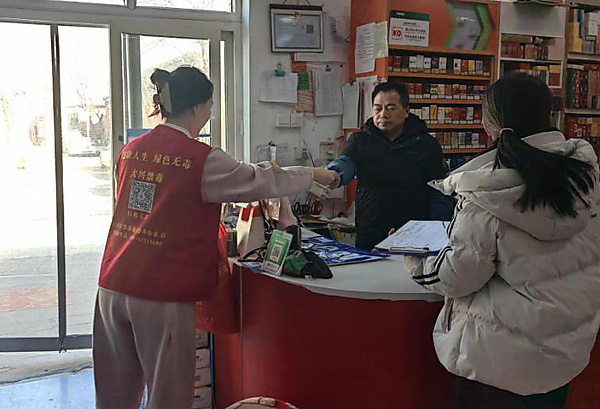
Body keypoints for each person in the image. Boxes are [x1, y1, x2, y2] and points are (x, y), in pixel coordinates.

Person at [93, 66, 336, 409]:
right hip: (161, 291)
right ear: (197, 107)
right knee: (168, 396)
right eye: (210, 105)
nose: (210, 112)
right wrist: (313, 174)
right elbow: (260, 179)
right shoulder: (200, 159)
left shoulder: (131, 150)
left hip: (113, 284)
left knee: (114, 394)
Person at [404, 73, 600, 408]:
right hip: (565, 350)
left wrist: (415, 262)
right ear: (549, 115)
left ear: (489, 123)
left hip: (497, 361)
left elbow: (459, 275)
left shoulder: (486, 191)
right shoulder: (585, 177)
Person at [326, 81, 450, 250]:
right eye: (378, 108)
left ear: (406, 111)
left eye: (391, 108)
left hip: (415, 232)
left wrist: (439, 230)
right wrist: (334, 174)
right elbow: (346, 163)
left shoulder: (426, 144)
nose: (383, 114)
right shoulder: (360, 140)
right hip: (371, 231)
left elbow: (440, 189)